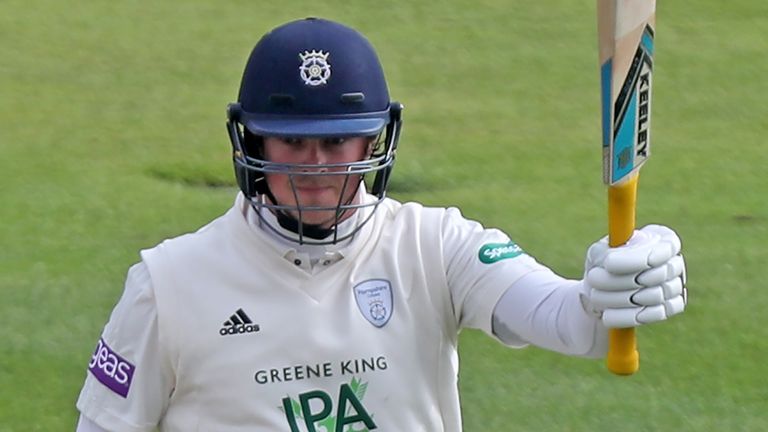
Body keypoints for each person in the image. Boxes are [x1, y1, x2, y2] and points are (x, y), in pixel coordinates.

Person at [75, 17, 687, 432]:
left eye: (337, 141)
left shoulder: (435, 245)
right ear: (250, 140)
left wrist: (615, 284)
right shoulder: (168, 284)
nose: (315, 167)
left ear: (376, 138)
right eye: (291, 142)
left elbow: (568, 323)